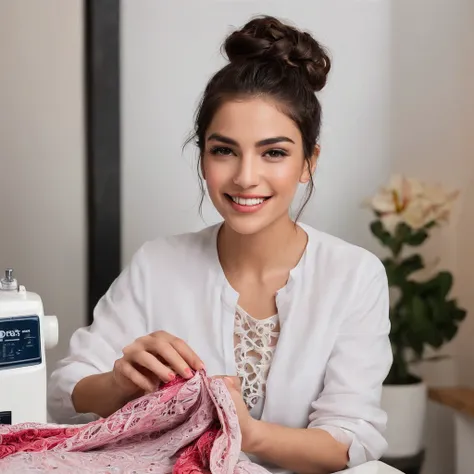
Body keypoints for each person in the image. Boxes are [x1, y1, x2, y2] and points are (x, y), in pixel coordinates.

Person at [48, 15, 392, 474]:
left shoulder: (354, 275)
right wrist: (119, 382)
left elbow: (350, 441)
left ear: (309, 161)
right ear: (203, 155)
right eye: (224, 150)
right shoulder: (158, 263)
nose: (245, 177)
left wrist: (244, 431)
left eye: (274, 152)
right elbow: (65, 393)